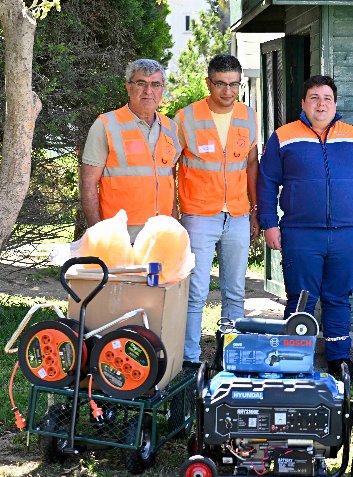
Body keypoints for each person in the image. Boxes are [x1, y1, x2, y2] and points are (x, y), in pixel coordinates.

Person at [257, 75, 353, 376]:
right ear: (303, 103)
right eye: (314, 97)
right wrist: (269, 223)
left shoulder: (352, 136)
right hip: (301, 234)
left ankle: (339, 357)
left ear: (335, 103)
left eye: (327, 98)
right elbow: (266, 183)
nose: (321, 103)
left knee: (338, 296)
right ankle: (293, 357)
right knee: (302, 297)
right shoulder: (284, 136)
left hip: (345, 233)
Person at [175, 54, 259, 364]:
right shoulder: (185, 118)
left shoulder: (248, 116)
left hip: (237, 214)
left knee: (235, 292)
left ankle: (231, 358)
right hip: (198, 215)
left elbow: (251, 164)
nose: (227, 91)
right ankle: (190, 359)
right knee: (195, 292)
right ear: (209, 83)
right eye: (221, 84)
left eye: (234, 84)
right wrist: (173, 211)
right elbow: (168, 165)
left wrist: (255, 209)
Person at [80, 59, 180, 243]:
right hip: (119, 236)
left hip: (161, 235)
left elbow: (169, 180)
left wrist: (174, 221)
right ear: (128, 87)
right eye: (141, 83)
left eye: (155, 84)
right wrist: (97, 232)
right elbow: (88, 183)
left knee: (158, 274)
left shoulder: (171, 128)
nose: (148, 91)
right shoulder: (106, 125)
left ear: (162, 88)